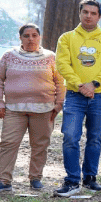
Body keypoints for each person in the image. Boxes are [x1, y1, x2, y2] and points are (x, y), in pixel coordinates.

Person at [54, 0, 101, 197]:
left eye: (93, 13)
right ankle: (72, 181)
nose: (89, 16)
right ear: (80, 13)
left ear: (99, 16)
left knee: (94, 138)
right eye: (85, 12)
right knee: (71, 137)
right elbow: (63, 64)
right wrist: (80, 85)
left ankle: (90, 178)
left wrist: (95, 83)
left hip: (99, 96)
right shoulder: (67, 38)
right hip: (74, 95)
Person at [0, 24, 64, 192]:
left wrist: (59, 103)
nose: (30, 39)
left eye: (34, 35)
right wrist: (0, 102)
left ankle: (35, 178)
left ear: (39, 37)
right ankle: (4, 180)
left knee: (40, 144)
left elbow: (60, 81)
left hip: (44, 109)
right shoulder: (8, 56)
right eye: (26, 35)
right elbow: (0, 80)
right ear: (20, 38)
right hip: (14, 109)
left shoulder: (51, 57)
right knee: (8, 143)